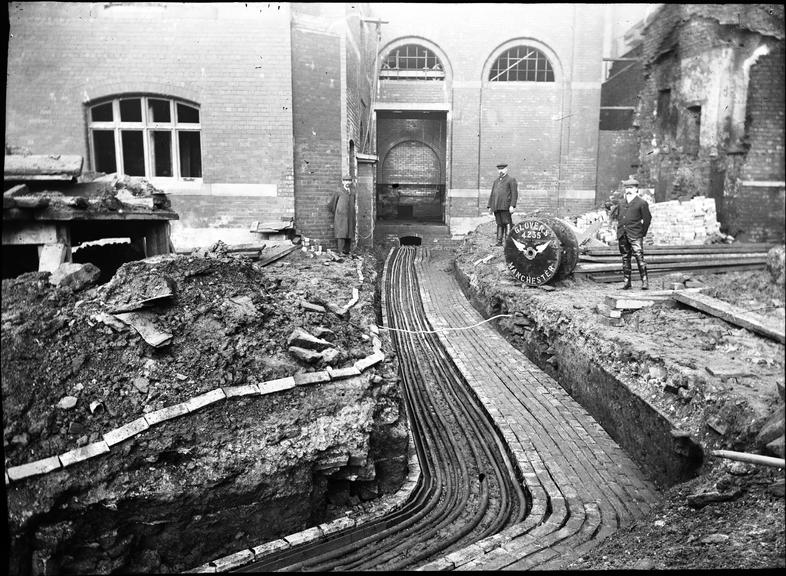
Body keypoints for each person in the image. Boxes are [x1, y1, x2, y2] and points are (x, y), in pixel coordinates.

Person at [615, 176, 652, 290]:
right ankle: (627, 282)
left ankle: (644, 282)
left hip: (635, 235)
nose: (628, 190)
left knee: (639, 258)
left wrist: (642, 233)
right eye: (626, 188)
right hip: (623, 234)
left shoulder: (642, 203)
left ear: (636, 189)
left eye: (631, 187)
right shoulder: (621, 203)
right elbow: (620, 218)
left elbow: (647, 220)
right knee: (625, 258)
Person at [487, 163, 518, 246]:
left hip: (506, 206)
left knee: (507, 223)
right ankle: (499, 241)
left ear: (506, 169)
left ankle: (508, 242)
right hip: (496, 206)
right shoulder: (496, 181)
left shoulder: (511, 180)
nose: (500, 171)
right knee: (499, 223)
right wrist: (490, 206)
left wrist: (512, 205)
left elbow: (514, 194)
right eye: (499, 169)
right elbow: (492, 194)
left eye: (502, 169)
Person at [328, 178, 356, 255]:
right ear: (343, 182)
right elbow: (331, 204)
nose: (348, 182)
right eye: (346, 180)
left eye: (349, 181)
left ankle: (347, 251)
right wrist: (338, 212)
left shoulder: (352, 192)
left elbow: (354, 203)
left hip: (350, 216)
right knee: (341, 232)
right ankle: (340, 251)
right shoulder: (338, 191)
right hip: (341, 216)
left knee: (349, 232)